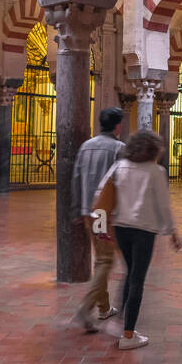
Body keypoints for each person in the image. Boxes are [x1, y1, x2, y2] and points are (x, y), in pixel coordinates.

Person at [92, 130, 182, 350]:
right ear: (153, 150)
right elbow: (163, 205)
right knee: (137, 280)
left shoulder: (119, 166)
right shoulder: (156, 171)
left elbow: (101, 193)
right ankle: (128, 335)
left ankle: (124, 324)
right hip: (144, 231)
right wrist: (172, 232)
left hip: (122, 229)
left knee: (130, 274)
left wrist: (102, 225)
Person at [70, 107, 126, 332]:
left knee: (101, 258)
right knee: (105, 261)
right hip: (105, 213)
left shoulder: (86, 146)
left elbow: (75, 178)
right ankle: (86, 308)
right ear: (117, 126)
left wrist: (77, 209)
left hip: (88, 212)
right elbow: (122, 182)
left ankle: (104, 307)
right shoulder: (119, 148)